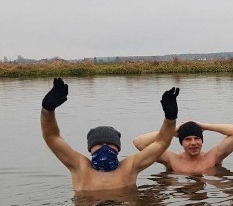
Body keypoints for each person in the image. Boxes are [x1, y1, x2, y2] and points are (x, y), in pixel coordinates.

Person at [40, 78, 178, 192]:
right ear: (90, 149)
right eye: (98, 144)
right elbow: (52, 137)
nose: (104, 147)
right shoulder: (79, 166)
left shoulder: (130, 167)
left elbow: (161, 143)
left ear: (118, 148)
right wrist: (47, 111)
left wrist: (170, 119)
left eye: (110, 144)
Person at [132, 121, 233, 173]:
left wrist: (204, 126)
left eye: (197, 138)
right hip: (180, 195)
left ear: (202, 141)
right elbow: (139, 142)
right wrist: (171, 131)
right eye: (187, 139)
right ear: (181, 142)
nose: (193, 143)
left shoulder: (213, 157)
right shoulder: (171, 159)